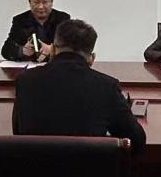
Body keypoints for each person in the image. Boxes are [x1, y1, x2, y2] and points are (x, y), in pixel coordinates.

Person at [12, 19, 146, 151]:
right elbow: (137, 140)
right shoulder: (106, 86)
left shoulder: (25, 80)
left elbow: (18, 132)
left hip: (35, 164)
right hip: (87, 165)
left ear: (52, 50)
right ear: (91, 58)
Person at [1, 0, 70, 62]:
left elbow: (73, 48)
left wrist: (52, 50)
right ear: (29, 2)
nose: (40, 7)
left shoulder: (63, 19)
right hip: (30, 66)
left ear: (51, 2)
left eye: (45, 2)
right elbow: (6, 50)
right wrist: (22, 50)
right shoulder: (20, 20)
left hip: (57, 65)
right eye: (36, 2)